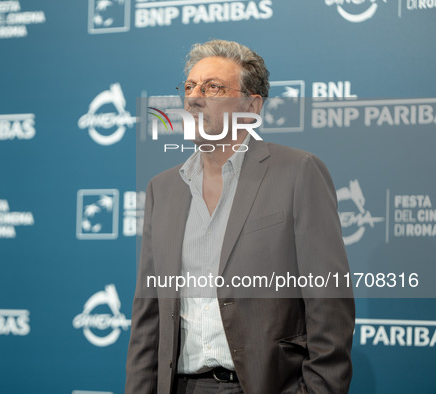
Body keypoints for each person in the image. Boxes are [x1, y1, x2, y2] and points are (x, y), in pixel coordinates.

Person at [125, 39, 355, 394]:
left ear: (251, 105)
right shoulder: (163, 188)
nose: (194, 97)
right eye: (189, 86)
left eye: (213, 87)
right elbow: (148, 316)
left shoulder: (298, 172)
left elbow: (329, 305)